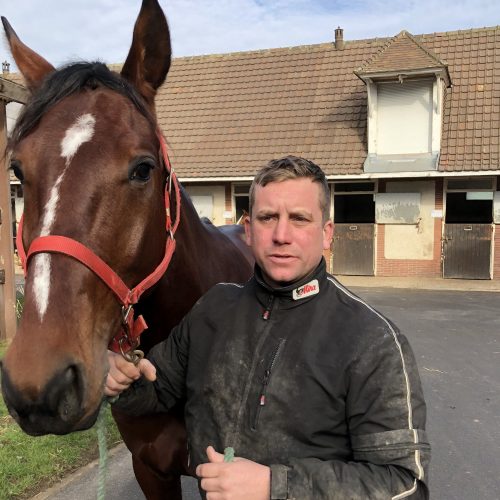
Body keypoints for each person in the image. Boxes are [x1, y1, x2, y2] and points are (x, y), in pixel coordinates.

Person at [106, 156, 431, 499]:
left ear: (326, 233)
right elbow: (156, 392)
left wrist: (274, 487)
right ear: (248, 230)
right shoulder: (213, 308)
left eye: (299, 219)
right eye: (267, 218)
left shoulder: (373, 341)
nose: (281, 235)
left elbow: (404, 484)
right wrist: (123, 381)